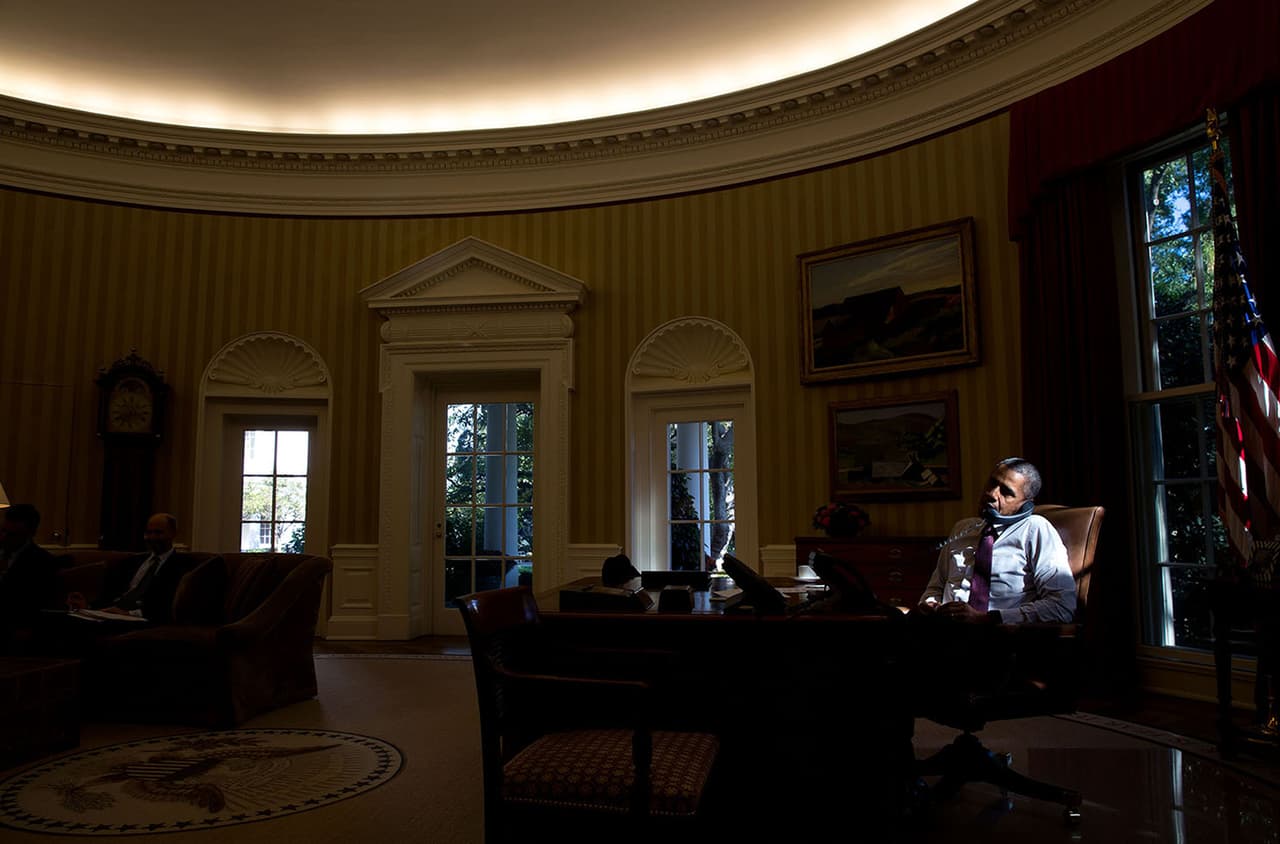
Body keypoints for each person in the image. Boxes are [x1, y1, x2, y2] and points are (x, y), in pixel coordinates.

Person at [916, 457, 1076, 624]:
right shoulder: (962, 528)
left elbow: (1062, 606)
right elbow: (936, 588)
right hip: (945, 633)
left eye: (1006, 492)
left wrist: (985, 619)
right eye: (992, 483)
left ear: (1025, 505)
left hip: (999, 636)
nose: (991, 494)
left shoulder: (1035, 529)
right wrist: (929, 604)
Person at [66, 512, 197, 624]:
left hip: (142, 619)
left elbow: (169, 604)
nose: (152, 537)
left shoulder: (182, 566)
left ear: (173, 533)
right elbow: (113, 591)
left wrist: (129, 613)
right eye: (148, 532)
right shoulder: (133, 562)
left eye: (158, 532)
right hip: (112, 614)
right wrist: (88, 606)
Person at [0, 503, 65, 650]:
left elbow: (31, 606)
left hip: (13, 625)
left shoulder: (42, 562)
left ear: (30, 533)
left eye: (12, 535)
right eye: (2, 531)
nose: (3, 538)